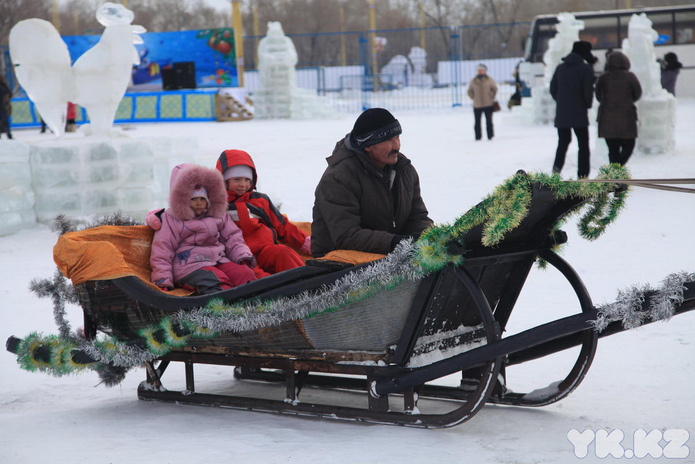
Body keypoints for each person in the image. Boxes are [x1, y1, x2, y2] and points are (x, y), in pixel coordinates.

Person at [312, 107, 434, 257]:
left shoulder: (404, 170)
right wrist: (396, 242)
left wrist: (431, 239)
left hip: (389, 255)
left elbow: (417, 217)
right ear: (368, 145)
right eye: (389, 139)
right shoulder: (339, 178)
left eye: (397, 137)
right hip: (337, 264)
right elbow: (346, 235)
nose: (397, 146)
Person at [150, 163, 257, 294]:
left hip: (218, 259)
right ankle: (225, 310)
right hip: (188, 266)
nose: (199, 203)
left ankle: (254, 304)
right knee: (215, 281)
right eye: (194, 199)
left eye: (203, 198)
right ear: (181, 198)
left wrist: (242, 256)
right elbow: (162, 250)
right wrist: (163, 279)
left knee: (244, 274)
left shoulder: (217, 214)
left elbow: (233, 237)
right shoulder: (171, 219)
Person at [216, 149, 311, 276]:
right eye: (237, 179)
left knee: (283, 252)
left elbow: (282, 226)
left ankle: (307, 282)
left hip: (264, 250)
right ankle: (274, 292)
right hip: (237, 257)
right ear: (223, 180)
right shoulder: (216, 205)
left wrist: (306, 243)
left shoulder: (260, 200)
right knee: (250, 275)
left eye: (247, 179)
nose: (243, 184)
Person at [550, 40, 597, 178]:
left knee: (563, 143)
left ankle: (555, 173)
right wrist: (586, 105)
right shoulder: (585, 69)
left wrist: (561, 102)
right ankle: (582, 176)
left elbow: (553, 89)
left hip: (562, 112)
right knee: (583, 144)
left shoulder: (561, 68)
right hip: (579, 112)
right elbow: (588, 92)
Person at [595, 51, 642, 166]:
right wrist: (627, 101)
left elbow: (598, 96)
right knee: (629, 147)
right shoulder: (630, 77)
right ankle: (616, 174)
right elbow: (638, 93)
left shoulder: (603, 77)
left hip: (607, 118)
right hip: (627, 117)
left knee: (613, 150)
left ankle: (615, 177)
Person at [467, 63, 498, 140]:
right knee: (477, 122)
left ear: (485, 71)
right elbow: (470, 91)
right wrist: (473, 97)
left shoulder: (490, 80)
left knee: (489, 121)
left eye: (481, 70)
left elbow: (494, 89)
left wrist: (491, 95)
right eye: (478, 70)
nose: (480, 71)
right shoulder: (473, 81)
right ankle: (478, 136)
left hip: (488, 103)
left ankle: (490, 136)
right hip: (477, 104)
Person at [0, 74, 12, 140]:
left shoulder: (2, 86)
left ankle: (8, 134)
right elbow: (8, 92)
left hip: (2, 106)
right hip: (2, 106)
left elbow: (8, 92)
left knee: (5, 120)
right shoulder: (3, 86)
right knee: (5, 120)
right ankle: (8, 134)